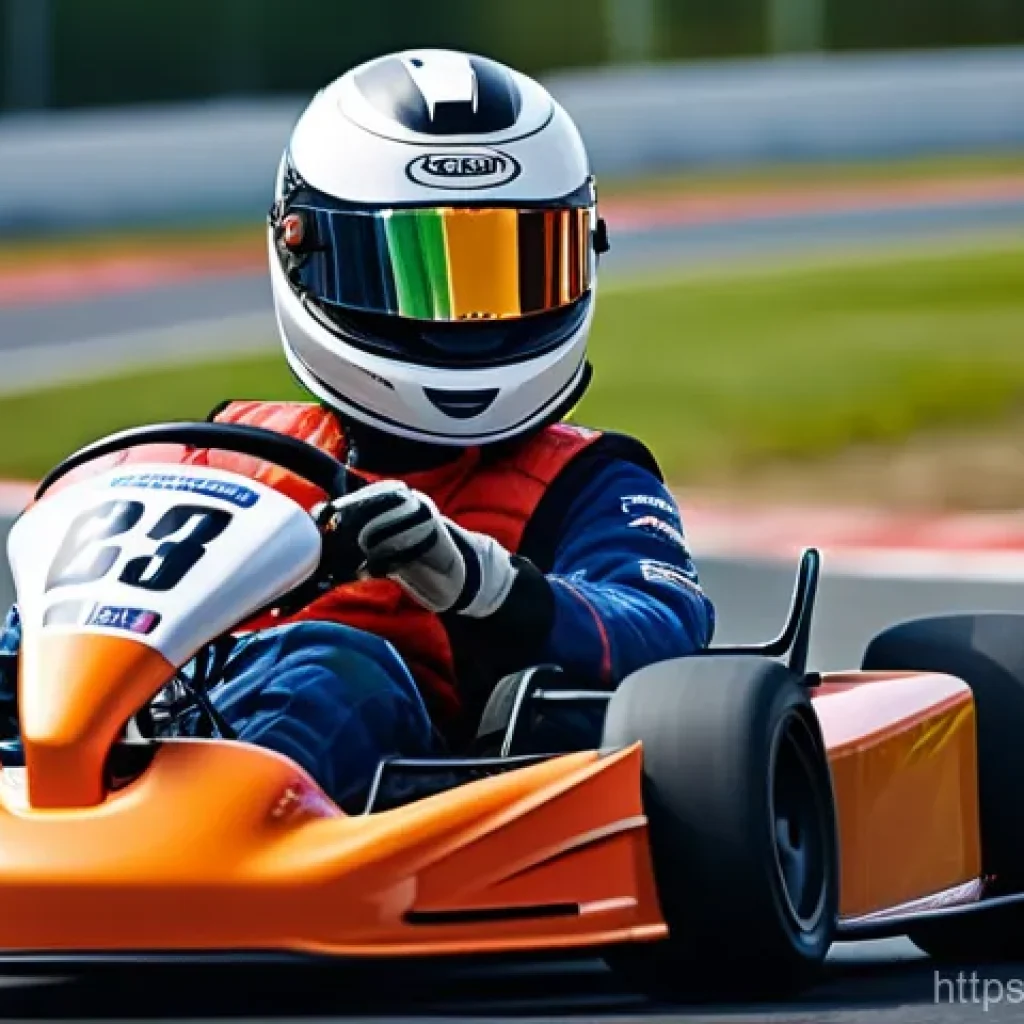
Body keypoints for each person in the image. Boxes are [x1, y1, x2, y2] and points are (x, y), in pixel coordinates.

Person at [0, 49, 715, 811]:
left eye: (516, 267)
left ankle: (171, 841)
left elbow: (663, 630)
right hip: (175, 728)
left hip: (437, 789)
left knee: (328, 664)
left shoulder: (588, 480)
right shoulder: (224, 449)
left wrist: (481, 583)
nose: (466, 321)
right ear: (307, 252)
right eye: (415, 272)